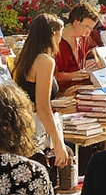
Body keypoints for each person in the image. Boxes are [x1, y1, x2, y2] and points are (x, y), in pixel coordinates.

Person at [13, 14, 70, 168]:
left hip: (26, 125)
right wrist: (58, 143)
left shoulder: (25, 58)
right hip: (39, 130)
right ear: (52, 34)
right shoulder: (45, 61)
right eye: (59, 34)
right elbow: (43, 106)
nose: (60, 39)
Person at [54, 2, 100, 92]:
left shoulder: (83, 39)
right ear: (75, 23)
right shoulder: (57, 41)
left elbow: (91, 57)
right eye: (86, 27)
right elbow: (53, 75)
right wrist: (72, 76)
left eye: (91, 28)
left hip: (81, 86)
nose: (88, 32)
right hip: (63, 91)